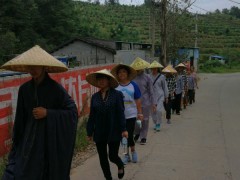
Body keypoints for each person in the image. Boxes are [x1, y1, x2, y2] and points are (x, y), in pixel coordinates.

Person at [1, 45, 78, 180]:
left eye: (36, 66)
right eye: (30, 67)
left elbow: (72, 112)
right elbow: (20, 119)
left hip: (48, 141)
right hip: (29, 141)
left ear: (44, 67)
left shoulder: (55, 89)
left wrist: (48, 113)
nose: (33, 70)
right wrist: (16, 145)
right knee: (18, 172)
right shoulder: (24, 89)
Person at [86, 69, 128, 180]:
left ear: (109, 80)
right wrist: (89, 132)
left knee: (112, 156)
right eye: (99, 79)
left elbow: (120, 113)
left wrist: (124, 129)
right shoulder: (95, 97)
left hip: (113, 130)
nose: (101, 81)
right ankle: (108, 178)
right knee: (103, 158)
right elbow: (92, 116)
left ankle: (120, 164)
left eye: (103, 79)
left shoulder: (117, 94)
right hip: (99, 131)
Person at [111, 64, 143, 165]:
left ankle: (133, 151)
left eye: (124, 72)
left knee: (128, 135)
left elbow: (137, 100)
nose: (122, 74)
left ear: (127, 74)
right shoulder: (115, 87)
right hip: (119, 116)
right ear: (117, 74)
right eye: (120, 72)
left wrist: (140, 113)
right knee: (122, 136)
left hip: (131, 115)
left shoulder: (133, 85)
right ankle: (126, 155)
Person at [130, 57, 156, 145]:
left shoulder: (147, 77)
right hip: (134, 102)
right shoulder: (132, 78)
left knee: (145, 120)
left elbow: (151, 91)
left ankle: (143, 137)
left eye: (139, 68)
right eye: (136, 68)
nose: (138, 70)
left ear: (143, 67)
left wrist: (153, 103)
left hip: (145, 102)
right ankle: (137, 133)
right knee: (136, 119)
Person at [148, 61, 168, 131]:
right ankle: (155, 122)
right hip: (151, 97)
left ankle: (158, 124)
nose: (154, 70)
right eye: (153, 68)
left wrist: (166, 96)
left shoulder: (162, 77)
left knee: (159, 110)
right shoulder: (148, 76)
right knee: (153, 112)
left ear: (157, 69)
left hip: (160, 96)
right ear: (151, 69)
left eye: (155, 68)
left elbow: (164, 87)